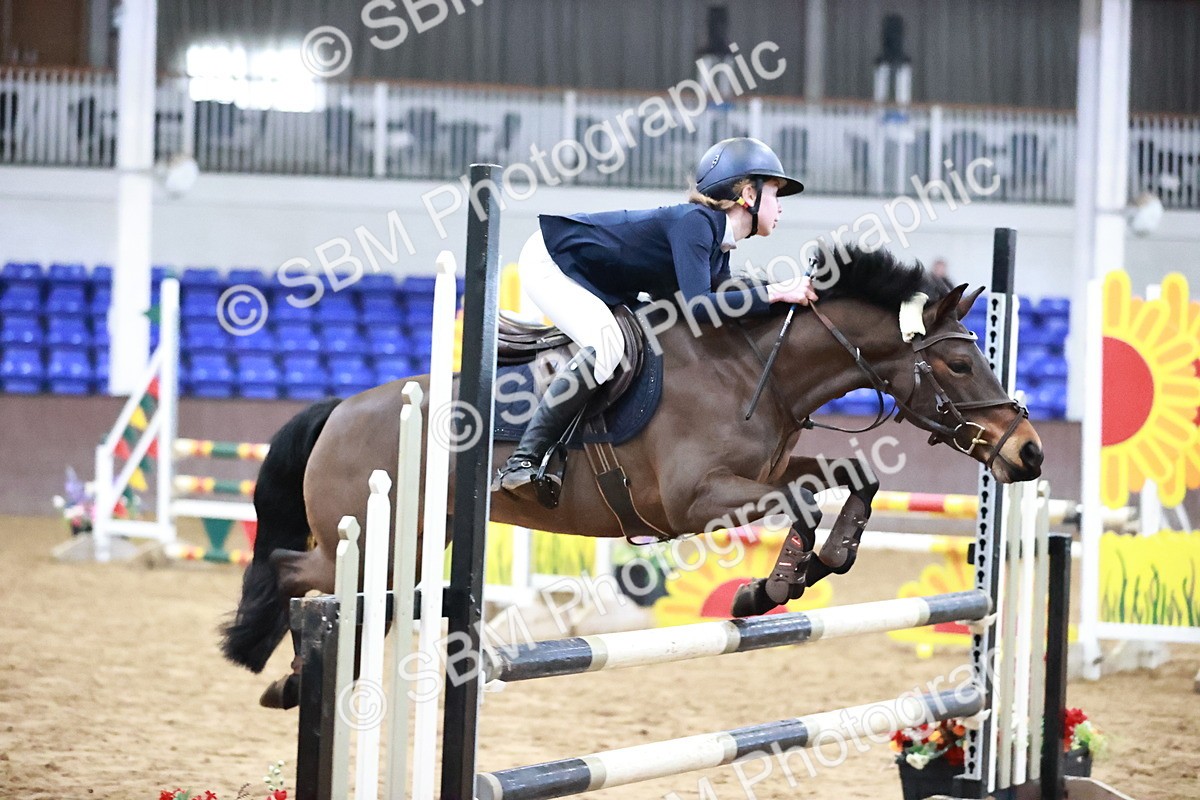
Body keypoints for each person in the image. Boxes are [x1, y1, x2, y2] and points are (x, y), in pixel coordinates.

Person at [492, 137, 818, 502]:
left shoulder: (716, 245)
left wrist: (783, 294)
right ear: (748, 195)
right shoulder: (696, 224)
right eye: (775, 193)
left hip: (590, 275)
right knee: (606, 347)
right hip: (551, 261)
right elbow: (699, 307)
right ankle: (523, 460)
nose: (780, 208)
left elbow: (726, 296)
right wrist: (776, 293)